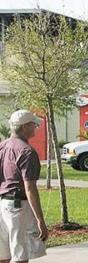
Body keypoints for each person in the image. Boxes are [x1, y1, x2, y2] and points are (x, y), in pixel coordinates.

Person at [0, 110, 49, 263]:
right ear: (24, 127)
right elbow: (30, 188)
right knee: (20, 254)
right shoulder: (27, 152)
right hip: (18, 206)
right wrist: (40, 220)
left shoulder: (2, 147)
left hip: (2, 204)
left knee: (3, 254)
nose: (35, 127)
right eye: (33, 124)